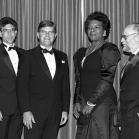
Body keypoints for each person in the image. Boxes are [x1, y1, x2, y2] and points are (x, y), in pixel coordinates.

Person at [17, 20, 70, 139]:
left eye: (51, 32)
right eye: (43, 32)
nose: (47, 35)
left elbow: (65, 86)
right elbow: (21, 85)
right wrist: (25, 111)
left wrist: (65, 109)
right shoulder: (27, 55)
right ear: (37, 35)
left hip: (55, 113)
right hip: (33, 114)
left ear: (55, 35)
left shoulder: (63, 56)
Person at [73, 11, 120, 139]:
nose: (92, 30)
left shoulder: (109, 49)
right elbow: (79, 80)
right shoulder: (80, 53)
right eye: (89, 28)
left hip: (102, 103)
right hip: (84, 102)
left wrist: (91, 103)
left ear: (104, 31)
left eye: (96, 27)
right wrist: (77, 101)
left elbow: (107, 79)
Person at [0, 17, 24, 139]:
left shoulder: (24, 53)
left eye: (12, 30)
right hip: (1, 108)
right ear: (0, 33)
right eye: (6, 30)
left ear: (16, 32)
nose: (10, 33)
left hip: (20, 108)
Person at [120, 23, 139, 139]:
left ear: (137, 37)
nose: (122, 40)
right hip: (128, 119)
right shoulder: (132, 59)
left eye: (125, 37)